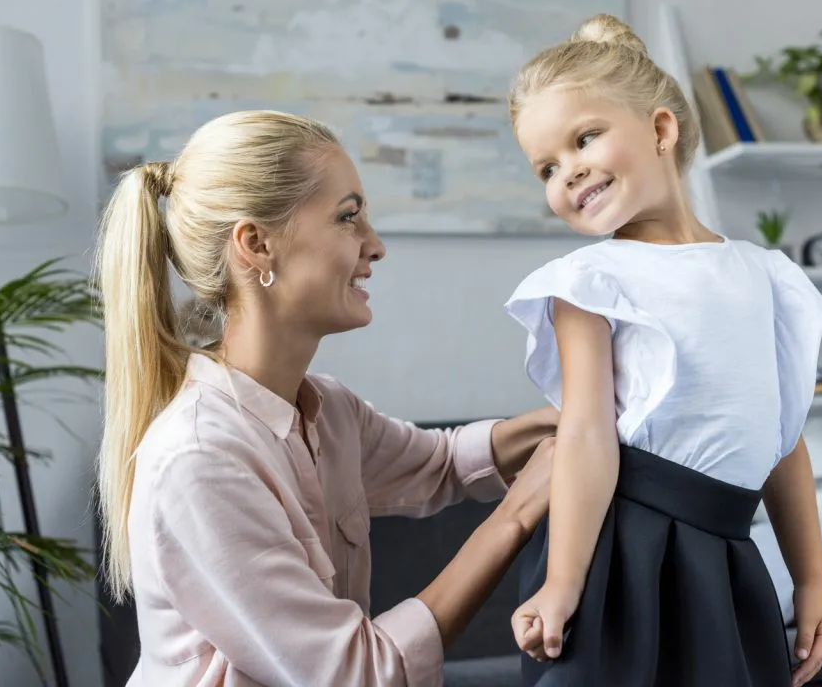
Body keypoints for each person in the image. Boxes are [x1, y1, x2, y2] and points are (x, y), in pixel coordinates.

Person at [93, 109, 558, 686]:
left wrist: (578, 420)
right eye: (348, 218)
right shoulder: (200, 460)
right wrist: (514, 518)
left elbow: (441, 463)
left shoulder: (328, 410)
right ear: (256, 245)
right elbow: (358, 674)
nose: (376, 245)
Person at [501, 14, 822, 687]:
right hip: (621, 558)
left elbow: (782, 438)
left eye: (584, 138)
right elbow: (587, 435)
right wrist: (564, 582)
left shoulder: (764, 275)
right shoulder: (588, 281)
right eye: (547, 166)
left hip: (728, 556)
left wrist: (812, 579)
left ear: (660, 129)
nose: (569, 172)